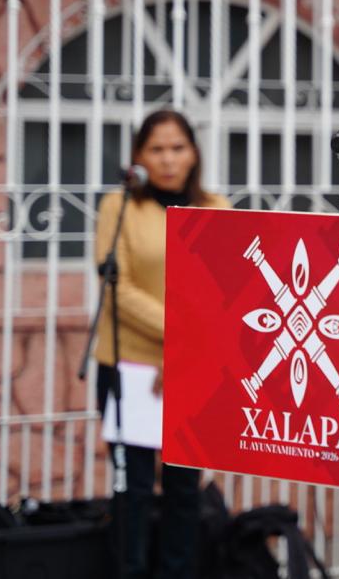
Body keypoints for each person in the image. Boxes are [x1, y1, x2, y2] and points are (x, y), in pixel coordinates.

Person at [94, 109, 231, 579]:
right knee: (131, 489)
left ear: (194, 153)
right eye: (156, 149)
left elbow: (224, 291)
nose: (168, 159)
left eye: (177, 148)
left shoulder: (216, 207)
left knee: (184, 489)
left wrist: (185, 350)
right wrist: (180, 332)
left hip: (191, 368)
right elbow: (119, 289)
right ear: (138, 156)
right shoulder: (119, 208)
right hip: (129, 366)